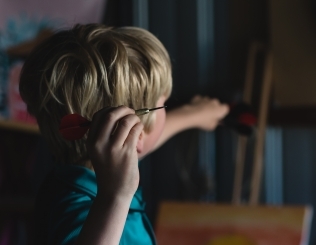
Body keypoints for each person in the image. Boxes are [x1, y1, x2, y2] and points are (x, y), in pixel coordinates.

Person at [19, 23, 229, 245]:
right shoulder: (83, 212)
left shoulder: (76, 176)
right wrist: (115, 197)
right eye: (162, 104)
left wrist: (193, 114)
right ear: (132, 132)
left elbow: (139, 143)